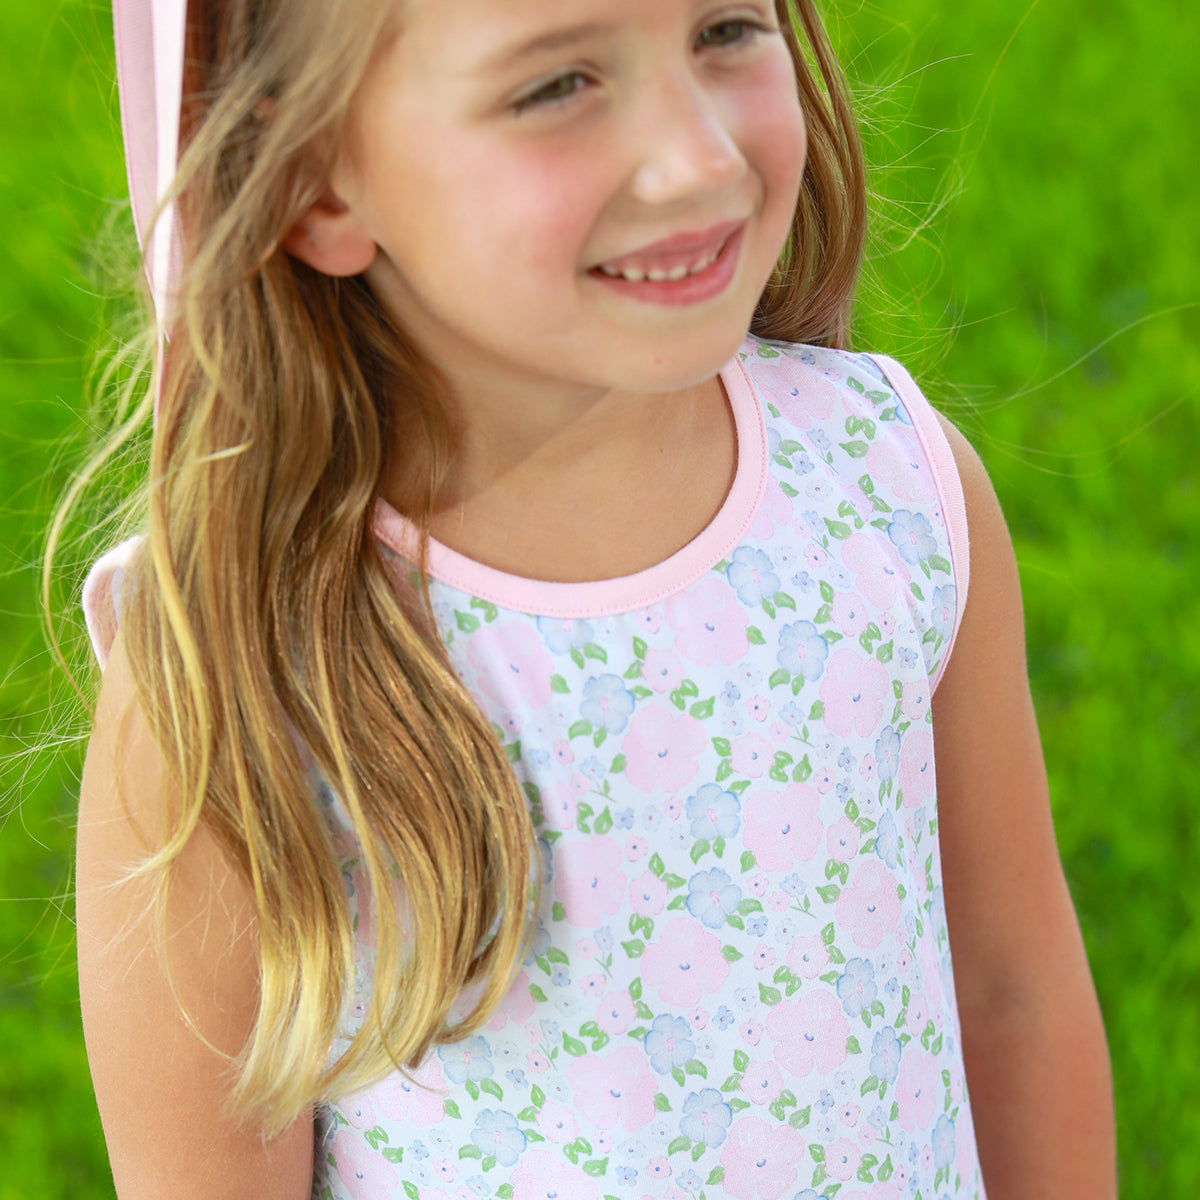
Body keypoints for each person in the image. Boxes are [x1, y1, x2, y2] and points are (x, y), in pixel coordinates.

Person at [72, 0, 1116, 1196]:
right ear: (315, 184)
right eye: (558, 85)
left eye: (725, 29)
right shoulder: (241, 672)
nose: (699, 158)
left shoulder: (890, 491)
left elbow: (1014, 994)